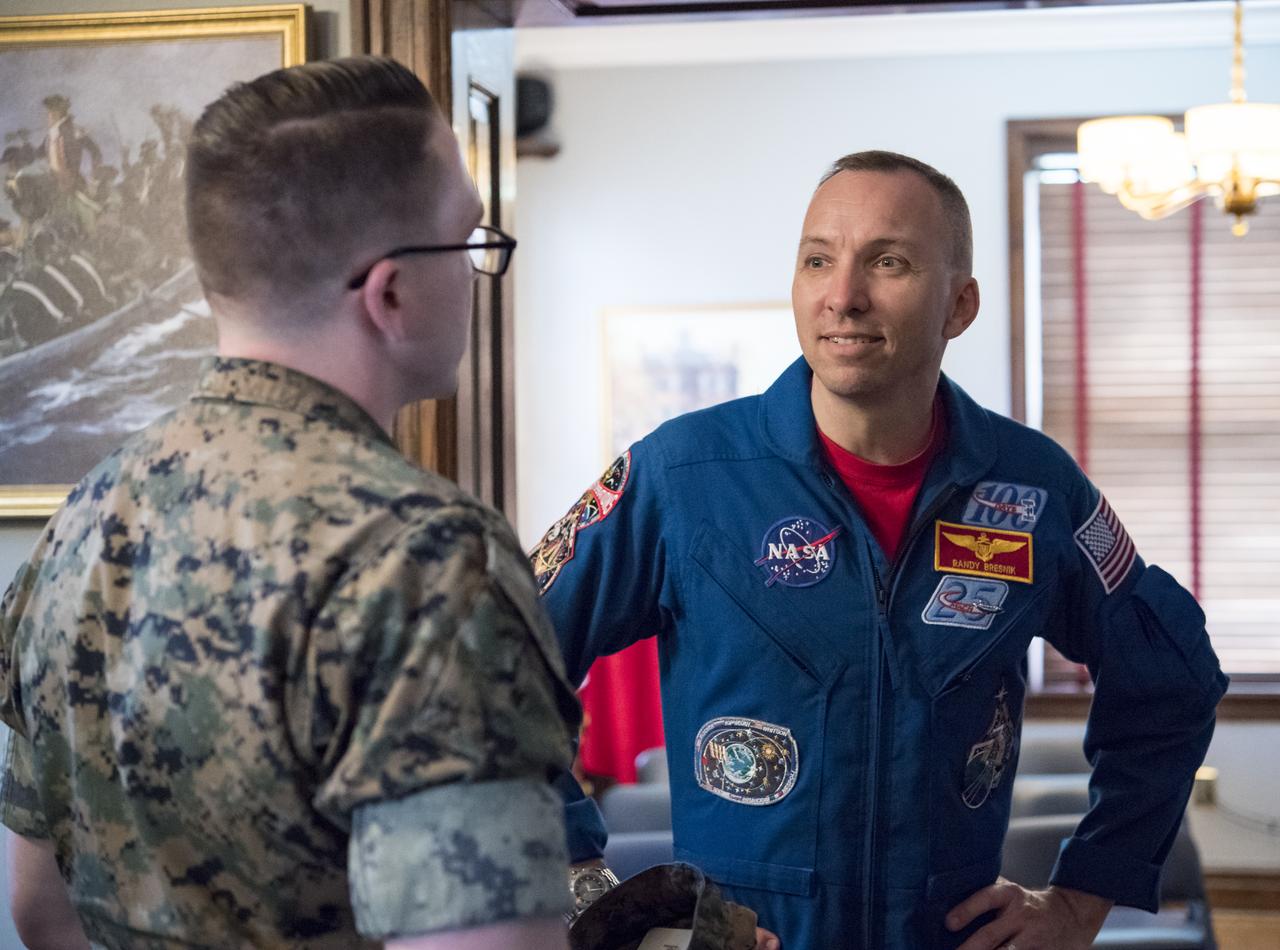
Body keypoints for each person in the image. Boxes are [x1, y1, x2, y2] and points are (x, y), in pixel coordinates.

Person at [531, 150, 1228, 950]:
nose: (843, 296)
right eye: (817, 260)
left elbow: (1171, 679)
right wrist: (588, 890)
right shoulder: (682, 476)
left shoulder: (1034, 490)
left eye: (888, 262)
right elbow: (495, 668)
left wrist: (1084, 895)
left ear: (959, 305)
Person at [1, 57, 579, 950]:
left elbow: (41, 911)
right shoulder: (427, 558)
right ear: (391, 292)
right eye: (467, 240)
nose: (476, 269)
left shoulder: (82, 519)